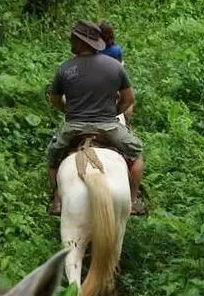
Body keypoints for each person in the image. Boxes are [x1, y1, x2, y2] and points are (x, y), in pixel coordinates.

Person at [46, 20, 146, 215]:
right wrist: (113, 112)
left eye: (72, 38)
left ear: (80, 42)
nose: (70, 41)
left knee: (52, 158)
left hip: (74, 125)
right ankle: (133, 201)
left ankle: (57, 200)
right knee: (137, 157)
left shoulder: (65, 68)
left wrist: (69, 112)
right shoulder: (114, 66)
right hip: (108, 126)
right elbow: (129, 98)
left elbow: (55, 99)